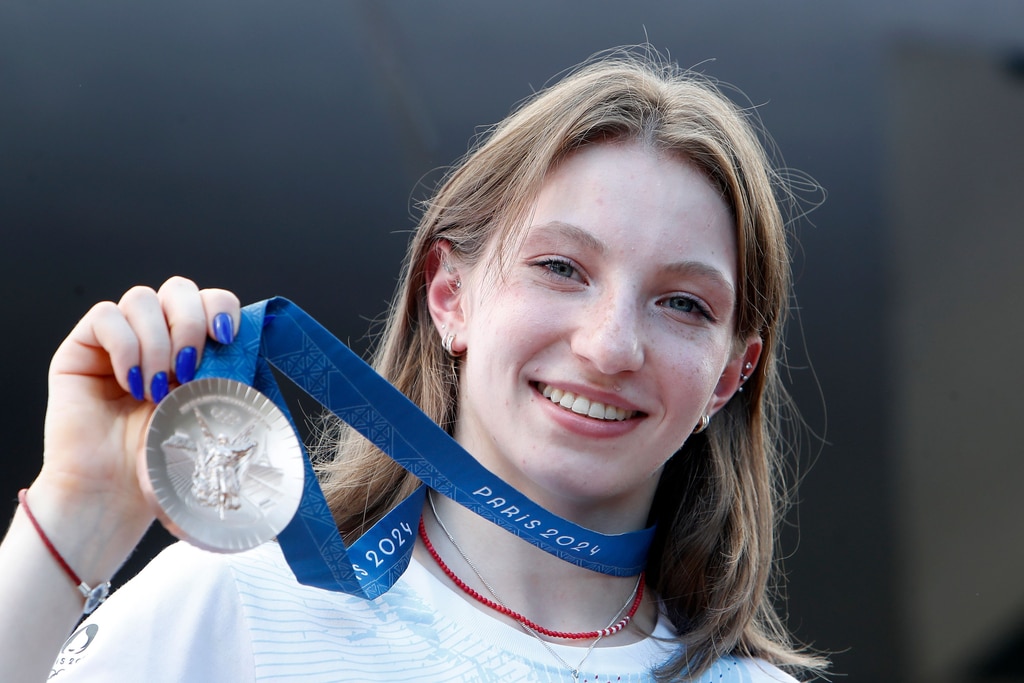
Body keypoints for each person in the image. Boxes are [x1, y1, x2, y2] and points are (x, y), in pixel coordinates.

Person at [0, 48, 827, 681]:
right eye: (561, 268)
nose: (611, 346)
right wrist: (78, 520)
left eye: (685, 303)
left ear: (729, 375)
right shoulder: (239, 607)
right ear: (449, 297)